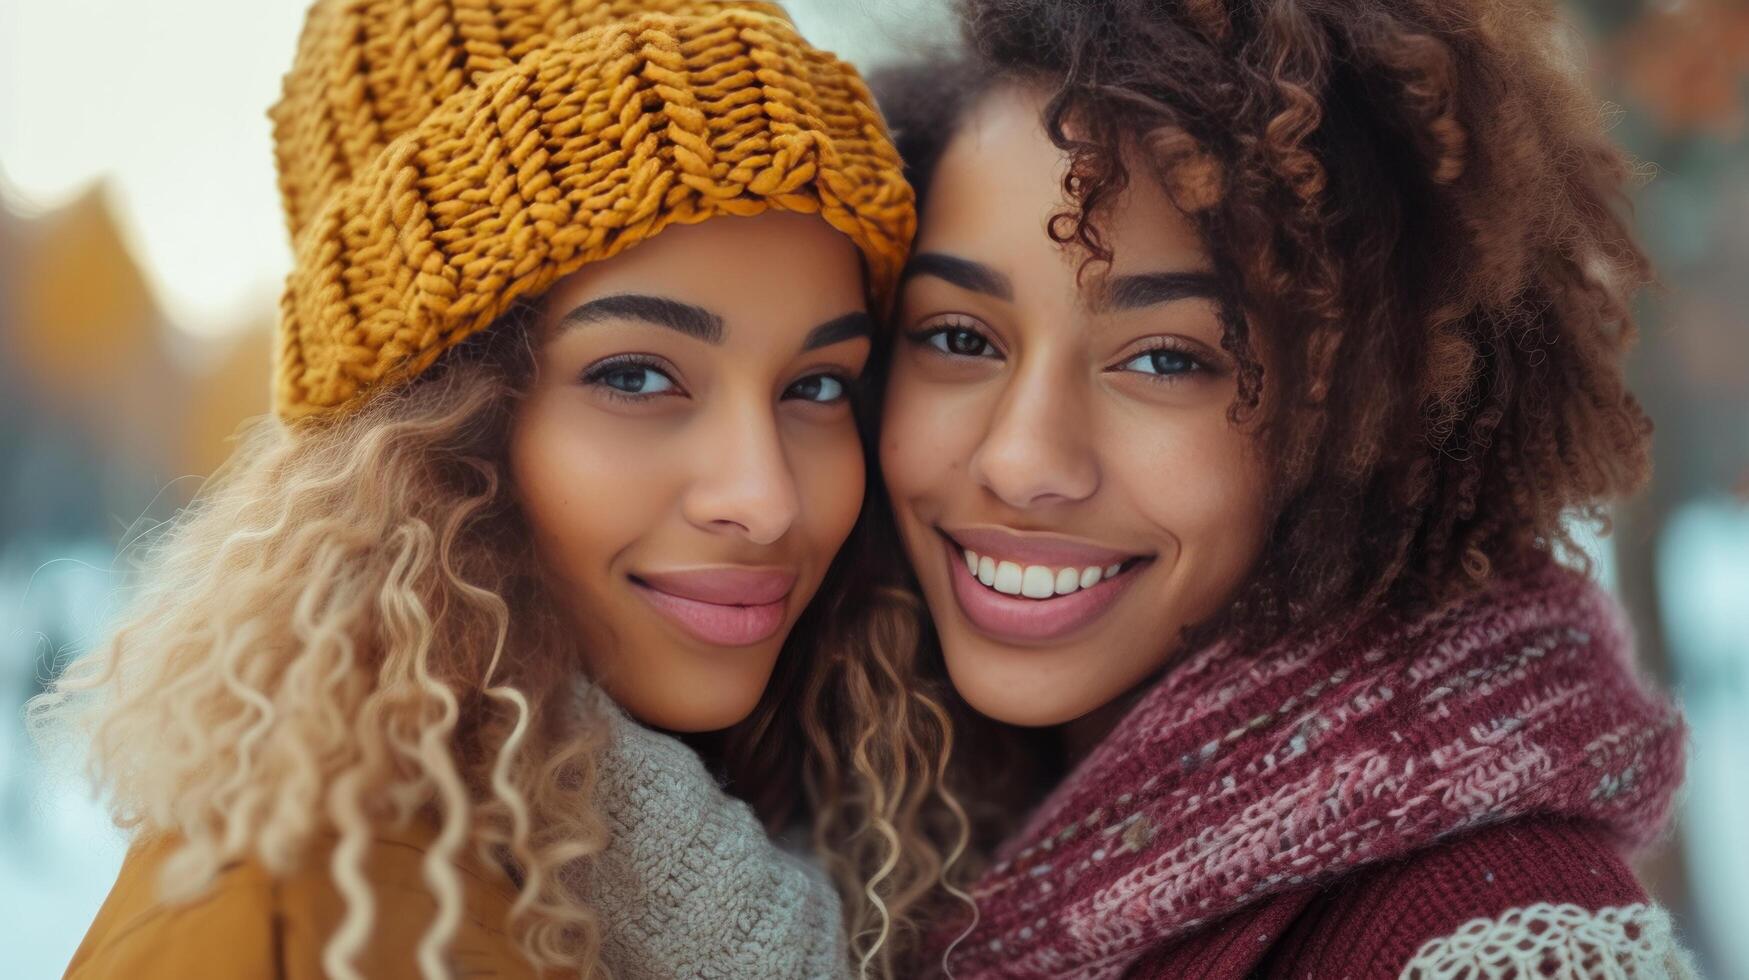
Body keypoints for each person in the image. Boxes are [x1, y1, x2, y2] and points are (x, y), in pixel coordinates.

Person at [34, 2, 960, 977]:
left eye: (817, 386)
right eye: (636, 377)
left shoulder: (828, 846)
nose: (766, 497)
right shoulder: (306, 921)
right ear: (434, 437)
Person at [871, 0, 1692, 975]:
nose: (1021, 460)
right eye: (960, 337)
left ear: (1373, 413)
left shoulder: (1503, 940)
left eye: (1167, 360)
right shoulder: (867, 821)